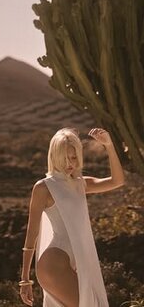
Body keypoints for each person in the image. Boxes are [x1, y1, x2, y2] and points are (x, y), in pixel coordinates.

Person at [19, 127, 125, 307]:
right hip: (54, 263)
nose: (69, 163)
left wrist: (109, 146)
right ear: (54, 156)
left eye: (74, 157)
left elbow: (117, 181)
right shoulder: (44, 187)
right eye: (64, 158)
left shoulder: (81, 184)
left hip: (73, 262)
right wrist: (25, 280)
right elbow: (32, 233)